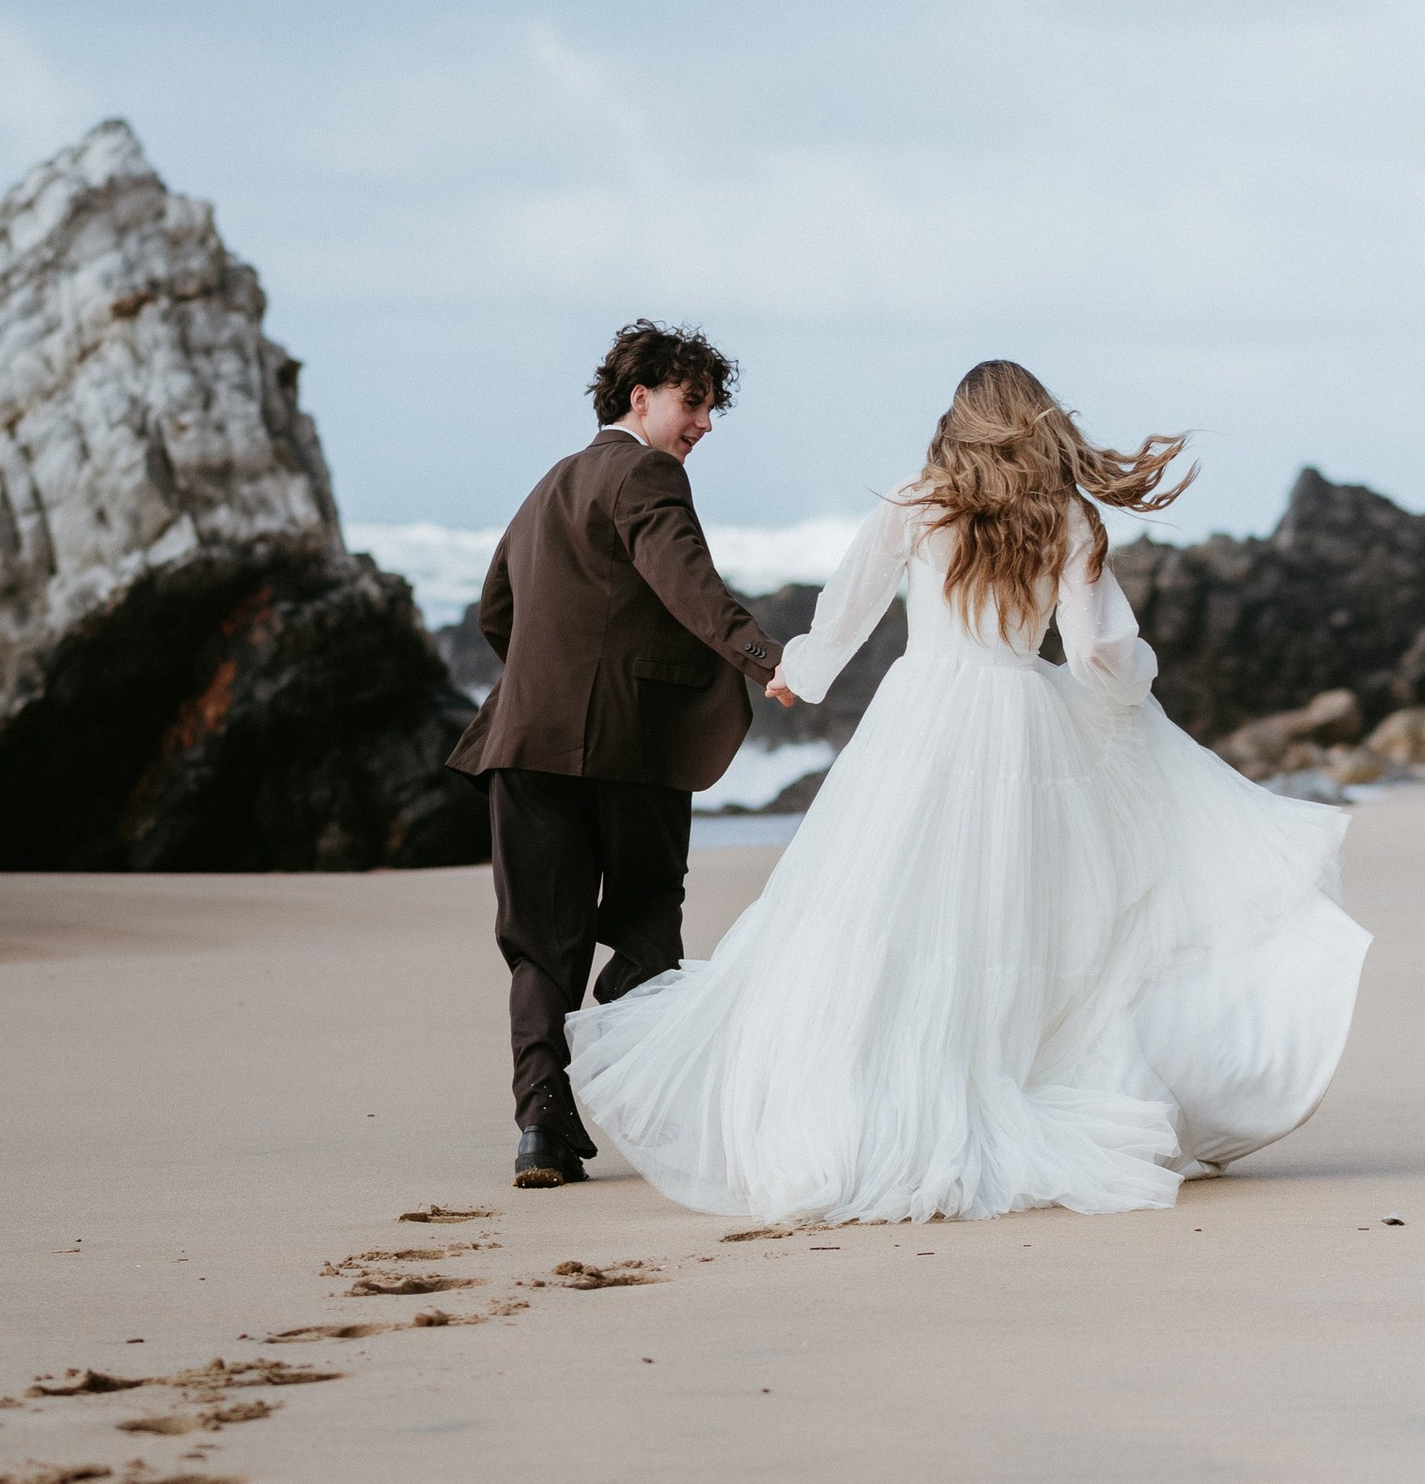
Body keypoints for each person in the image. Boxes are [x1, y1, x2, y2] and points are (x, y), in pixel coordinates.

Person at [565, 359, 1370, 1226]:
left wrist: (795, 672)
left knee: (884, 908)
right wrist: (1135, 694)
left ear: (962, 422)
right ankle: (1004, 1075)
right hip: (1023, 721)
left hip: (922, 715)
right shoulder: (1064, 515)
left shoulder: (918, 501)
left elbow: (844, 616)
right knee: (1011, 920)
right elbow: (1099, 653)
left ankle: (862, 1098)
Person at [451, 319, 793, 1188]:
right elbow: (687, 580)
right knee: (646, 930)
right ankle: (640, 1090)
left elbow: (498, 610)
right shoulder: (647, 473)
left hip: (524, 743)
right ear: (638, 399)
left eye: (711, 409)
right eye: (693, 403)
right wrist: (763, 659)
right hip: (627, 750)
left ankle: (542, 1129)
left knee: (540, 946)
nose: (703, 424)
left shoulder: (550, 484)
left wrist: (550, 682)